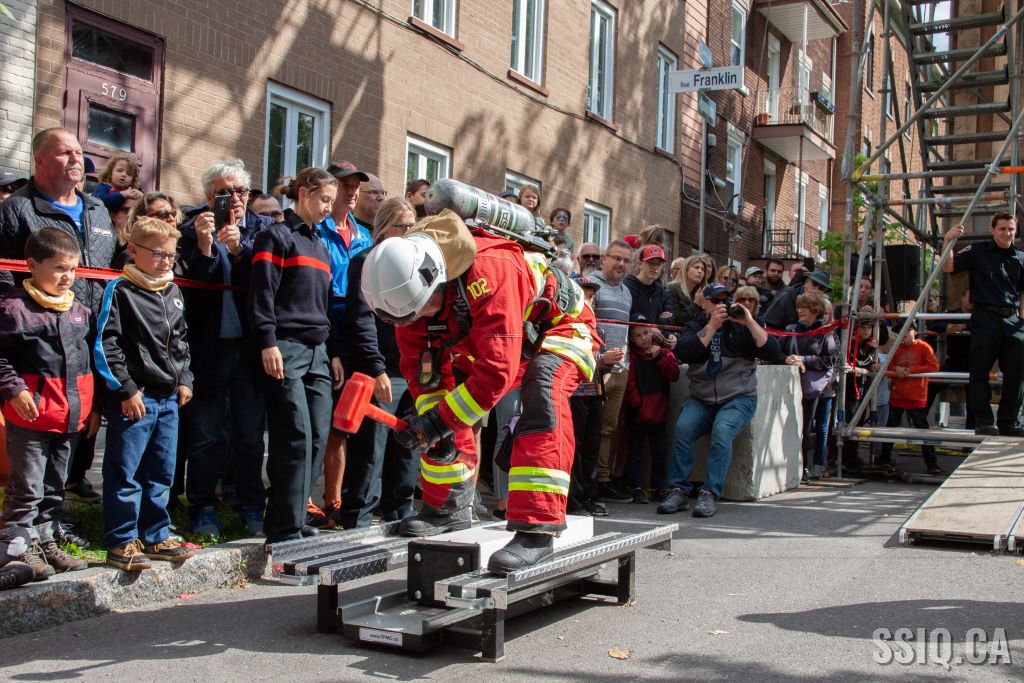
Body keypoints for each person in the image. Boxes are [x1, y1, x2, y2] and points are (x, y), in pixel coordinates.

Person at [361, 209, 597, 574]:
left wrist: (439, 421)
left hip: (561, 328)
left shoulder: (491, 270)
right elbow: (424, 376)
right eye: (406, 318)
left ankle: (538, 529)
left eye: (418, 312)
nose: (415, 322)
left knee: (543, 395)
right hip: (500, 341)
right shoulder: (409, 300)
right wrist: (433, 424)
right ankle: (447, 508)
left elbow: (496, 373)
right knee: (439, 413)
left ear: (438, 280)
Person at [0, 129, 117, 506]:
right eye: (64, 153)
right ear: (39, 160)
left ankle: (65, 503)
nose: (75, 159)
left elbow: (111, 267)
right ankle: (25, 521)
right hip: (38, 343)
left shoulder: (97, 209)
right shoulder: (18, 209)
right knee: (35, 444)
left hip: (89, 334)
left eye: (78, 152)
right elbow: (4, 277)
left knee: (83, 423)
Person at [177, 159, 272, 538]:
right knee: (207, 434)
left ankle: (251, 506)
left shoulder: (264, 231)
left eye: (241, 191)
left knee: (250, 434)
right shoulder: (189, 232)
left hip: (250, 349)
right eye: (224, 193)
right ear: (207, 197)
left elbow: (266, 286)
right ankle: (202, 507)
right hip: (208, 348)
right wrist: (205, 247)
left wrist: (239, 252)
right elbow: (191, 295)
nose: (234, 199)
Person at [95, 217, 195, 570]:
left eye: (171, 255)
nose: (166, 261)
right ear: (133, 251)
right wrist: (126, 389)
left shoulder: (173, 292)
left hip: (168, 398)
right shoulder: (120, 291)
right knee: (125, 471)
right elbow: (107, 345)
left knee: (161, 470)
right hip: (136, 398)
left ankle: (155, 534)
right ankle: (121, 539)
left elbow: (181, 341)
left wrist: (185, 378)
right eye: (158, 254)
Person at [245, 168, 336, 543]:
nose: (328, 208)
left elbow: (323, 303)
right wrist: (268, 342)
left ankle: (293, 519)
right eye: (324, 199)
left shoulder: (321, 246)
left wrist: (331, 352)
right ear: (303, 193)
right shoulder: (276, 236)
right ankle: (283, 529)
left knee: (317, 435)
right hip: (285, 347)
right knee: (293, 435)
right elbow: (261, 294)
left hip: (318, 351)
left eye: (331, 201)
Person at [0, 229, 96, 580]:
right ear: (31, 265)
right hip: (31, 417)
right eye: (58, 268)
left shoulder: (79, 310)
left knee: (55, 487)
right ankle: (15, 549)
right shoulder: (13, 310)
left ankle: (46, 541)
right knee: (27, 487)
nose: (67, 276)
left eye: (72, 269)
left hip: (69, 415)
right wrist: (14, 389)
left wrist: (93, 407)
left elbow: (88, 361)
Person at [658, 283, 781, 517]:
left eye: (725, 300)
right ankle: (678, 490)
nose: (721, 306)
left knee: (722, 431)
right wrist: (712, 326)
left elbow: (773, 352)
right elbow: (683, 352)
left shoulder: (742, 326)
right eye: (715, 301)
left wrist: (749, 321)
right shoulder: (695, 326)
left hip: (738, 398)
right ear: (703, 303)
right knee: (683, 429)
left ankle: (709, 493)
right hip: (702, 398)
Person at [337, 197, 419, 527]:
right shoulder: (367, 261)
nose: (409, 232)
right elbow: (361, 318)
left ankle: (400, 512)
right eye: (402, 226)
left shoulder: (417, 261)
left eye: (413, 225)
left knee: (409, 446)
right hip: (383, 370)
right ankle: (357, 519)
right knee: (371, 450)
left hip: (412, 369)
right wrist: (376, 368)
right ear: (384, 227)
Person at [316, 161, 372, 526]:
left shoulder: (364, 235)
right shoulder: (317, 230)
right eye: (344, 184)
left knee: (353, 419)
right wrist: (333, 345)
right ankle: (327, 500)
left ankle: (348, 500)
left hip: (359, 331)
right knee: (330, 422)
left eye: (355, 185)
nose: (351, 191)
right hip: (326, 325)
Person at [944, 215, 1024, 436]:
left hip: (1013, 319)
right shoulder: (978, 251)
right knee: (979, 371)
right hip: (985, 316)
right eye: (1002, 228)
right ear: (993, 229)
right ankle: (983, 421)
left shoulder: (1021, 257)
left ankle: (1009, 422)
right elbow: (949, 266)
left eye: (1011, 229)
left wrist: (1022, 320)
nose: (1007, 233)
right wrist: (948, 240)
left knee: (1017, 373)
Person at [589, 239, 634, 503]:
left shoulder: (626, 292)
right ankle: (589, 482)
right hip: (596, 368)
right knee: (592, 428)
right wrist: (598, 359)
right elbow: (585, 329)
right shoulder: (591, 285)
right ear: (604, 259)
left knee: (609, 428)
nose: (621, 264)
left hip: (620, 370)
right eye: (616, 258)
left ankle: (603, 480)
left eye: (626, 261)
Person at [782, 292, 839, 480]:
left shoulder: (825, 333)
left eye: (805, 307)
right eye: (799, 307)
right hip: (789, 385)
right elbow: (778, 351)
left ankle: (805, 467)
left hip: (811, 388)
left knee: (806, 428)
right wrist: (788, 359)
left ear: (815, 310)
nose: (800, 310)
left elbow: (830, 361)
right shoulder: (790, 329)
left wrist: (805, 359)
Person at [623, 313, 680, 503]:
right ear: (632, 339)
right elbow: (630, 385)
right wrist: (637, 406)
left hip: (659, 413)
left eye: (646, 333)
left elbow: (674, 374)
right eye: (638, 335)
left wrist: (659, 357)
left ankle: (658, 487)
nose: (643, 338)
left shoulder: (664, 353)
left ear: (652, 332)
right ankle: (635, 487)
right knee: (635, 453)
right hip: (638, 414)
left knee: (660, 452)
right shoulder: (632, 357)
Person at [567, 276, 608, 517]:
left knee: (592, 446)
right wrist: (601, 360)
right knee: (576, 448)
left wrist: (606, 362)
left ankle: (589, 497)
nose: (588, 301)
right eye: (584, 296)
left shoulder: (596, 326)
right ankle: (573, 501)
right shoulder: (567, 322)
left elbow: (599, 363)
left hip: (594, 392)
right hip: (574, 394)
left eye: (591, 297)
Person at [878, 322, 942, 473]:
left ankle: (932, 464)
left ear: (915, 332)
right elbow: (889, 366)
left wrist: (909, 370)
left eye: (908, 330)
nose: (904, 333)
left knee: (922, 431)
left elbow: (934, 367)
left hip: (916, 396)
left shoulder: (924, 347)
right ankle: (885, 459)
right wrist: (897, 369)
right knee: (891, 429)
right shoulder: (896, 348)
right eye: (901, 331)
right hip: (897, 394)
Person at [926, 287, 973, 427]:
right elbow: (933, 324)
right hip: (954, 362)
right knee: (932, 383)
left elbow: (984, 326)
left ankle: (971, 432)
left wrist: (964, 326)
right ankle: (920, 420)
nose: (972, 300)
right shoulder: (953, 314)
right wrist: (947, 325)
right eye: (969, 296)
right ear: (962, 298)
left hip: (974, 363)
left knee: (975, 396)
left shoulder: (979, 316)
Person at [763, 268, 830, 331]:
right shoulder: (784, 298)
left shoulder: (822, 306)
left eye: (822, 287)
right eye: (814, 284)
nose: (816, 289)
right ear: (806, 282)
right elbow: (767, 327)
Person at [666, 254, 706, 327]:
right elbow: (676, 320)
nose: (700, 271)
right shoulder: (672, 289)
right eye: (696, 267)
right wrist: (696, 304)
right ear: (686, 270)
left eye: (702, 269)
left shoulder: (700, 293)